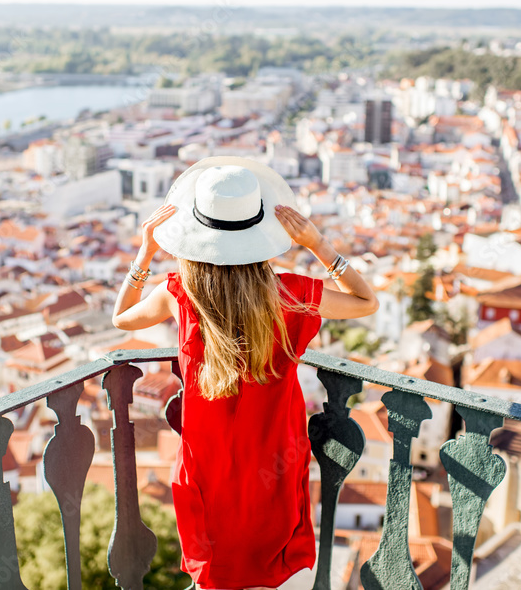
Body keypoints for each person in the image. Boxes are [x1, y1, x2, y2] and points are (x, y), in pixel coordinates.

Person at [111, 157, 378, 590]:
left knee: (216, 565)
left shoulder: (180, 292)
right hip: (274, 451)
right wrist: (318, 244)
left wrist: (146, 250)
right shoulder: (290, 293)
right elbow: (366, 302)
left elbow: (121, 317)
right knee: (275, 559)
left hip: (206, 457)